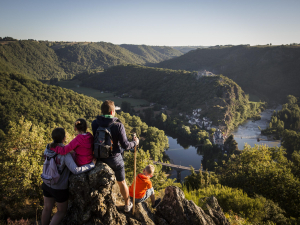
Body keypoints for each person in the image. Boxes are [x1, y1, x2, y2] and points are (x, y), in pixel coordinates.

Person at [41, 128, 96, 225]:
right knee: (61, 211)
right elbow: (75, 170)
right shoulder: (65, 153)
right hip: (59, 187)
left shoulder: (48, 147)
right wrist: (91, 164)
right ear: (64, 138)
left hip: (46, 182)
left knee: (46, 208)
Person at [92, 100, 139, 212]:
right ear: (112, 112)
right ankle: (127, 205)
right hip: (114, 159)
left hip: (99, 157)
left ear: (102, 111)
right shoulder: (118, 125)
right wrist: (135, 143)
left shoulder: (95, 123)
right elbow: (126, 145)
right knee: (122, 182)